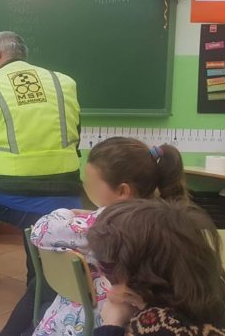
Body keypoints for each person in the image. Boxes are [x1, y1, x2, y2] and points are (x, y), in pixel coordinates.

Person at [0, 31, 82, 335]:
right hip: (68, 195)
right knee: (42, 213)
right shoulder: (64, 82)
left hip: (8, 196)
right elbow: (74, 135)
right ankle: (34, 276)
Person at [29, 137, 189, 336]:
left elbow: (40, 231)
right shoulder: (165, 219)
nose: (85, 188)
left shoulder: (105, 226)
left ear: (123, 191)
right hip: (145, 319)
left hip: (92, 320)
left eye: (90, 184)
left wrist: (67, 212)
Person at [89, 199, 225, 336]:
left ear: (135, 275)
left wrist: (112, 324)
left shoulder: (156, 323)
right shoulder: (213, 305)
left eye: (107, 272)